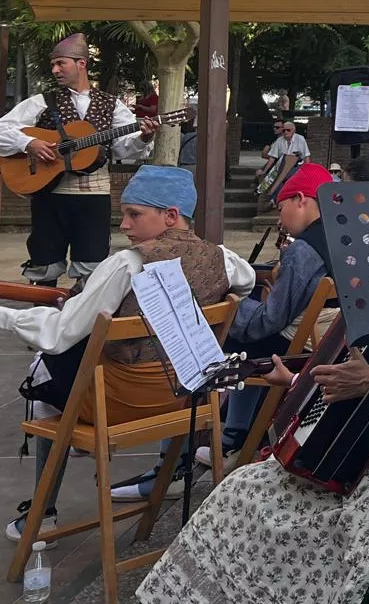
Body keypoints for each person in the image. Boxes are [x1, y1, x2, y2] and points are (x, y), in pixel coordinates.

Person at [137, 333, 369, 604]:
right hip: (367, 440)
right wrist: (299, 382)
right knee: (242, 488)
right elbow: (356, 370)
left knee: (326, 534)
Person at [0, 166, 253, 541]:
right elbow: (244, 285)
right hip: (184, 400)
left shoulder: (127, 264)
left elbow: (58, 333)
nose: (125, 225)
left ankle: (44, 511)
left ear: (170, 216)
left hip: (118, 404)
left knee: (49, 368)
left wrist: (6, 317)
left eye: (134, 214)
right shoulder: (223, 258)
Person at [0, 34, 161, 285]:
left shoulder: (111, 104)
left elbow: (123, 149)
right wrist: (28, 142)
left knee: (91, 266)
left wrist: (144, 138)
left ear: (81, 64)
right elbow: (2, 129)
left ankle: (82, 320)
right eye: (53, 64)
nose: (55, 70)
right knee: (44, 263)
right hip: (49, 194)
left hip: (94, 197)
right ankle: (43, 318)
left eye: (60, 63)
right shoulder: (43, 101)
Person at [207, 162, 335, 464]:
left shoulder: (305, 249)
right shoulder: (342, 235)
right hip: (329, 340)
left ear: (301, 199)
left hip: (298, 345)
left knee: (224, 340)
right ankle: (238, 432)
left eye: (281, 208)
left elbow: (270, 319)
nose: (281, 218)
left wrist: (233, 303)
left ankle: (229, 439)